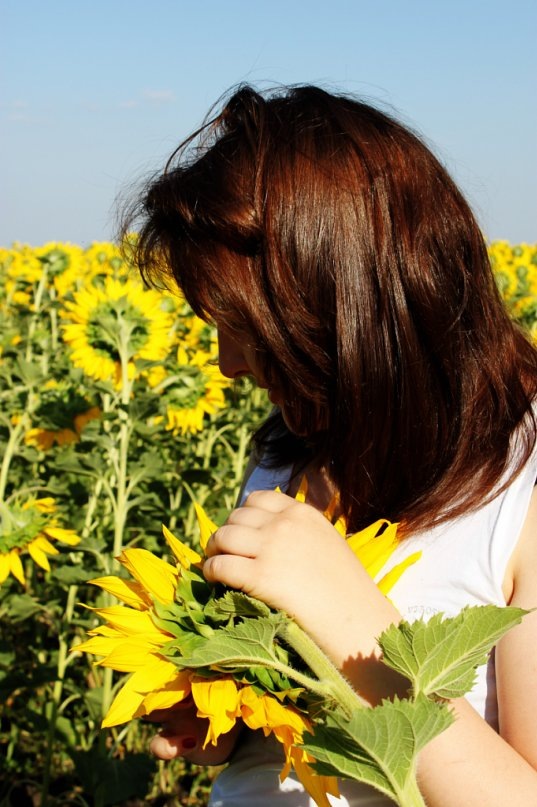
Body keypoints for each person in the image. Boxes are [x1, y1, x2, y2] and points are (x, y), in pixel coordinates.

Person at [123, 84, 537, 806]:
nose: (227, 363)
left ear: (345, 307)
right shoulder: (288, 457)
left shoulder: (519, 490)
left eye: (247, 330)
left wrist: (351, 622)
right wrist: (226, 708)